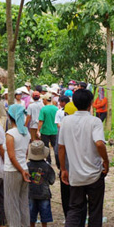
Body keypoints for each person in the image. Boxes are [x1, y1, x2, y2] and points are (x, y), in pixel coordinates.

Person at [59, 89, 109, 227]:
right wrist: (106, 160)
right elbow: (99, 143)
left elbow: (61, 147)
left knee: (74, 209)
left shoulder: (66, 121)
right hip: (95, 174)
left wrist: (63, 169)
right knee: (95, 210)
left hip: (75, 175)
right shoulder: (95, 121)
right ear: (91, 104)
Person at [4, 104, 31, 227]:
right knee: (23, 203)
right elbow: (24, 154)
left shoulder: (10, 134)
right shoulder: (26, 133)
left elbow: (11, 156)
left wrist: (20, 170)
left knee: (11, 204)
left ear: (10, 117)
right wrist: (23, 169)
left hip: (12, 170)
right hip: (24, 168)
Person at [27, 140, 55, 227]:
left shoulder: (27, 166)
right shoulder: (47, 167)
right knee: (45, 215)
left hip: (31, 193)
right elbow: (52, 180)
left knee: (31, 215)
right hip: (44, 194)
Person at [37, 93, 58, 164]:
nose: (43, 101)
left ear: (46, 100)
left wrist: (38, 130)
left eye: (43, 99)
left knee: (46, 147)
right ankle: (57, 160)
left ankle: (48, 161)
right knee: (55, 147)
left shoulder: (43, 109)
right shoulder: (56, 108)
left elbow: (41, 121)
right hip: (55, 130)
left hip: (45, 131)